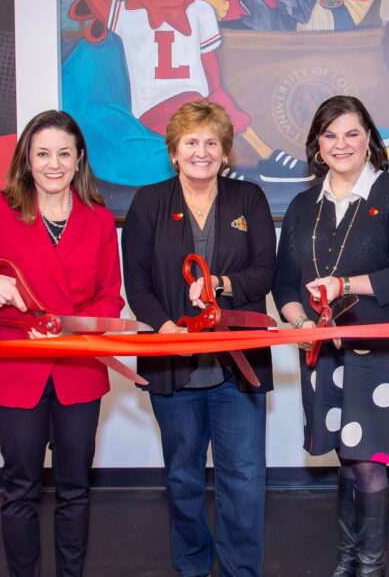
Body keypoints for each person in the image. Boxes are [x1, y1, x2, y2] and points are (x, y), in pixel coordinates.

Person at [0, 110, 124, 577]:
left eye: (64, 153)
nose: (53, 164)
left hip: (77, 371)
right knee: (20, 486)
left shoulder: (99, 219)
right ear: (26, 159)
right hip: (14, 372)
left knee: (75, 486)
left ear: (79, 160)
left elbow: (109, 296)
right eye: (43, 154)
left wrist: (78, 324)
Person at [272, 95, 389, 577]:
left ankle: (371, 563)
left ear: (369, 142)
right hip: (323, 349)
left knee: (369, 458)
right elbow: (284, 280)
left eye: (351, 134)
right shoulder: (303, 205)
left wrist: (346, 285)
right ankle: (348, 555)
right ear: (317, 146)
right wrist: (300, 321)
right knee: (345, 454)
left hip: (380, 348)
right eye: (329, 135)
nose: (340, 144)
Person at [121, 99, 276, 577]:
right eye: (191, 142)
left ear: (226, 152)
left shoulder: (249, 198)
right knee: (183, 476)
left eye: (212, 142)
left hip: (238, 365)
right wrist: (165, 330)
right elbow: (138, 283)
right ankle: (191, 565)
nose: (202, 152)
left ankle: (239, 570)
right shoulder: (148, 202)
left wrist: (222, 285)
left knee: (244, 479)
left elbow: (265, 271)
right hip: (174, 364)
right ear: (174, 152)